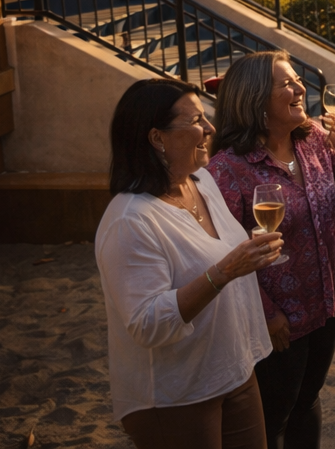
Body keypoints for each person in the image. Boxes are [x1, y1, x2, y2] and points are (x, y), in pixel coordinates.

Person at [96, 78, 283, 449]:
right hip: (177, 393)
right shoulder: (130, 220)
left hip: (233, 368)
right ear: (157, 138)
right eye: (196, 120)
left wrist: (247, 255)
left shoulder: (201, 181)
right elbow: (147, 323)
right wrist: (226, 270)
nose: (210, 129)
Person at [208, 53, 335, 449]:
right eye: (287, 84)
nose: (300, 89)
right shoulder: (226, 169)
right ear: (255, 98)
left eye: (297, 80)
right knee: (274, 415)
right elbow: (219, 249)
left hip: (327, 300)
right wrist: (266, 311)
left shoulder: (313, 140)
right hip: (275, 316)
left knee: (307, 401)